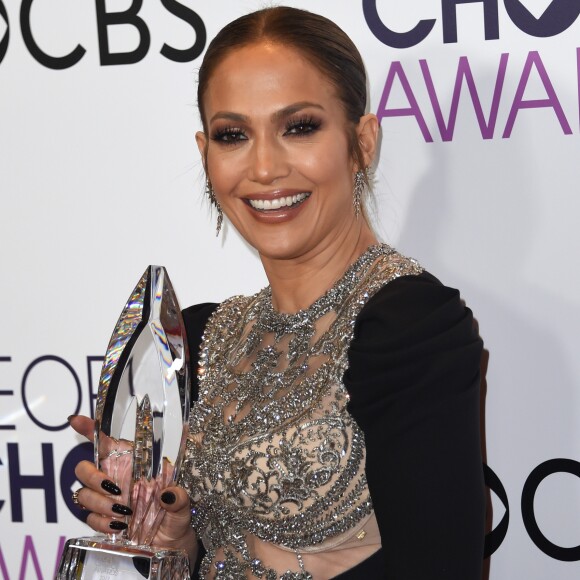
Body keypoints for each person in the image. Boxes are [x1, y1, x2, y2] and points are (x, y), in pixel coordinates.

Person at [70, 6, 485, 579]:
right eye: (233, 135)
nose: (264, 168)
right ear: (205, 153)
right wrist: (172, 539)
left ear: (361, 141)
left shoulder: (409, 325)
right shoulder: (197, 335)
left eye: (300, 127)